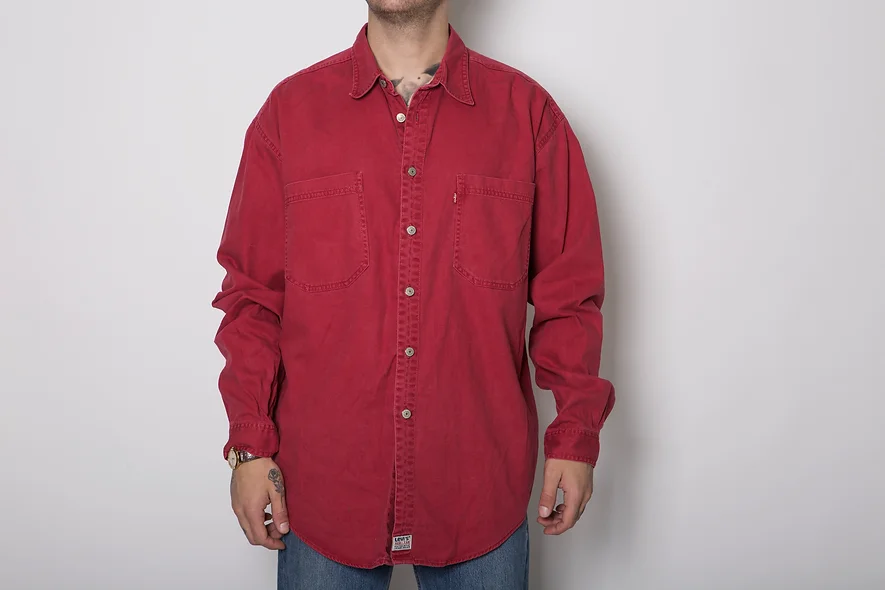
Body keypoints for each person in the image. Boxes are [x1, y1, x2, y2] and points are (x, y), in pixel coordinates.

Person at [212, 1, 615, 588]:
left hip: (478, 487)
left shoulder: (528, 115)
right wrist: (249, 445)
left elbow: (569, 296)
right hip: (325, 491)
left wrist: (575, 436)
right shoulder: (289, 115)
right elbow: (252, 300)